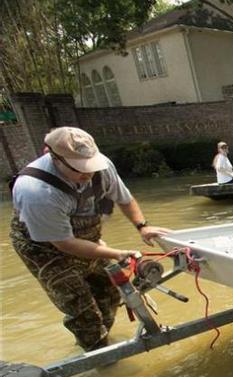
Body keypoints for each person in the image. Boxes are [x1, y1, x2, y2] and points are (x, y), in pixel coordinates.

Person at [10, 127, 171, 351]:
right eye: (80, 170)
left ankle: (98, 341)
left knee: (110, 292)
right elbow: (64, 243)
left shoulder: (101, 167)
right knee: (82, 310)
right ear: (54, 157)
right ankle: (100, 359)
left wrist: (142, 226)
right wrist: (116, 253)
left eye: (91, 167)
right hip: (46, 248)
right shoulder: (36, 191)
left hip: (86, 238)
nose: (88, 174)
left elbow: (124, 199)